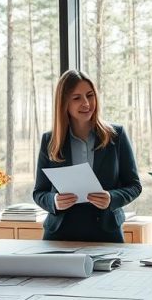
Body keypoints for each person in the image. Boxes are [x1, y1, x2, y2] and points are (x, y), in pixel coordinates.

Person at [32, 70, 142, 242]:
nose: (86, 103)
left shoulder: (116, 135)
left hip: (106, 232)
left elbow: (134, 186)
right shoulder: (50, 140)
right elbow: (39, 192)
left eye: (90, 96)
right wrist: (54, 201)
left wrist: (111, 198)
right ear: (64, 103)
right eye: (76, 98)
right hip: (60, 233)